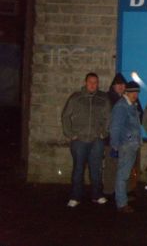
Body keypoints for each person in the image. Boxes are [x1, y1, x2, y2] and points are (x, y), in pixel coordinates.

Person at [61, 72, 111, 208]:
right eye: (90, 82)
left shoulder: (103, 99)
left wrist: (104, 133)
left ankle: (97, 195)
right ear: (85, 82)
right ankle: (75, 197)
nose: (93, 85)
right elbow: (65, 116)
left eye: (95, 82)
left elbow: (108, 117)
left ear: (98, 84)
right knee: (78, 169)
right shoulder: (76, 98)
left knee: (96, 169)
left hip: (96, 140)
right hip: (79, 140)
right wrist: (70, 134)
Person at [110, 81, 143, 213]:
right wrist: (115, 146)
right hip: (126, 145)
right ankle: (121, 203)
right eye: (132, 92)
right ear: (126, 93)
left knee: (125, 173)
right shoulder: (121, 107)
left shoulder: (131, 105)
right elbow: (115, 127)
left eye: (137, 92)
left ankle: (122, 197)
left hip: (131, 144)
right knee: (123, 174)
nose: (135, 94)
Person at [103, 73, 127, 196]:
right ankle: (108, 190)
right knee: (111, 166)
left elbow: (139, 115)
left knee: (124, 166)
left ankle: (121, 191)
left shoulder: (129, 98)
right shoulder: (106, 99)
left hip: (126, 140)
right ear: (113, 86)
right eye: (118, 84)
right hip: (110, 138)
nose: (120, 87)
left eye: (122, 84)